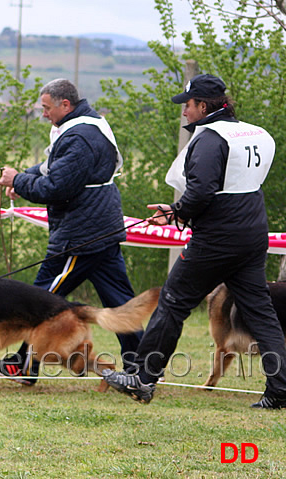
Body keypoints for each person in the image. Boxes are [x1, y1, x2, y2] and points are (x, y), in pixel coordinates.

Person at [103, 74, 286, 409]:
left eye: (187, 105)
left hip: (218, 237)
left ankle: (143, 378)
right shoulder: (256, 133)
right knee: (261, 313)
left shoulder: (210, 139)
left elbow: (201, 191)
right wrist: (179, 212)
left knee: (173, 301)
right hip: (253, 230)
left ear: (203, 105)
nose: (184, 112)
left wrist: (176, 211)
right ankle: (280, 389)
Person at [0, 78, 141, 385]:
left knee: (39, 300)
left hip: (80, 236)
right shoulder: (83, 126)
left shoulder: (80, 137)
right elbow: (53, 167)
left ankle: (24, 365)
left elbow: (56, 187)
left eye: (47, 108)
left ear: (65, 105)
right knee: (121, 304)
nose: (44, 114)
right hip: (99, 229)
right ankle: (144, 367)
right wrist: (23, 178)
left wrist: (19, 180)